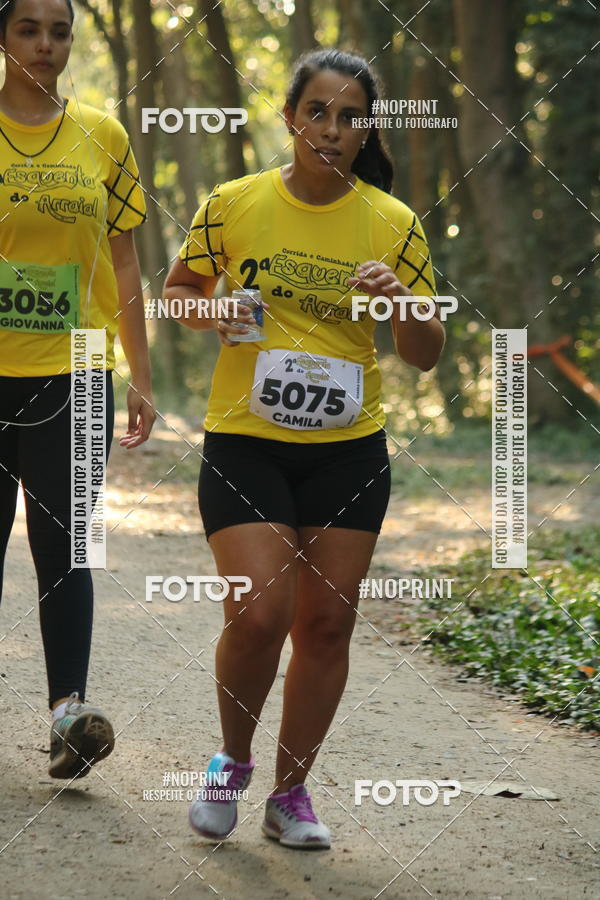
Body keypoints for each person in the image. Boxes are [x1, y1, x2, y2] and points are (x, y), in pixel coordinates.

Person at [164, 47, 445, 848]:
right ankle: (231, 761)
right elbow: (180, 290)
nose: (331, 127)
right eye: (316, 111)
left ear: (367, 131)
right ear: (290, 119)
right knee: (261, 612)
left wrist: (402, 305)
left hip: (347, 452)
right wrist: (210, 314)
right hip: (246, 440)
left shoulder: (393, 224)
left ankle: (291, 796)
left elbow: (426, 351)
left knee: (325, 627)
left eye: (349, 115)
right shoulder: (235, 203)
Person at [0, 0, 154, 778]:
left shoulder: (105, 135)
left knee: (65, 551)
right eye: (28, 28)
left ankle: (70, 714)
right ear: (2, 36)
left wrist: (141, 376)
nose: (46, 44)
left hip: (78, 370)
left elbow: (124, 262)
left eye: (59, 31)